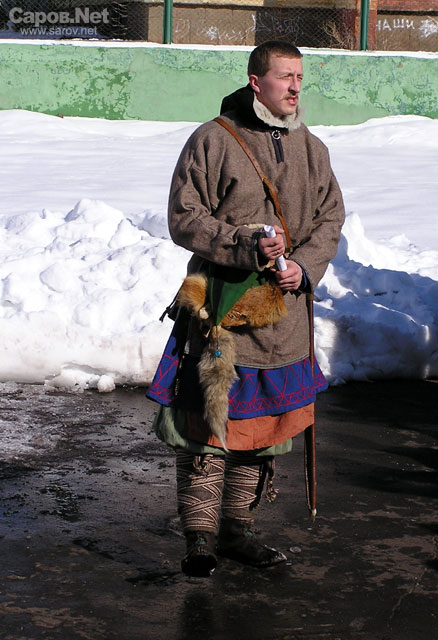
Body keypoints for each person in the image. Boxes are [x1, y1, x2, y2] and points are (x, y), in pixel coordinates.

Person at [146, 40, 345, 577]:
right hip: (221, 311)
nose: (296, 86)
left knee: (264, 430)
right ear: (257, 81)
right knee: (207, 428)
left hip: (285, 316)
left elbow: (331, 218)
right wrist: (243, 242)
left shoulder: (313, 148)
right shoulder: (213, 140)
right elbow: (184, 217)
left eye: (300, 76)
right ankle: (200, 539)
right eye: (285, 76)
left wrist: (303, 266)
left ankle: (238, 530)